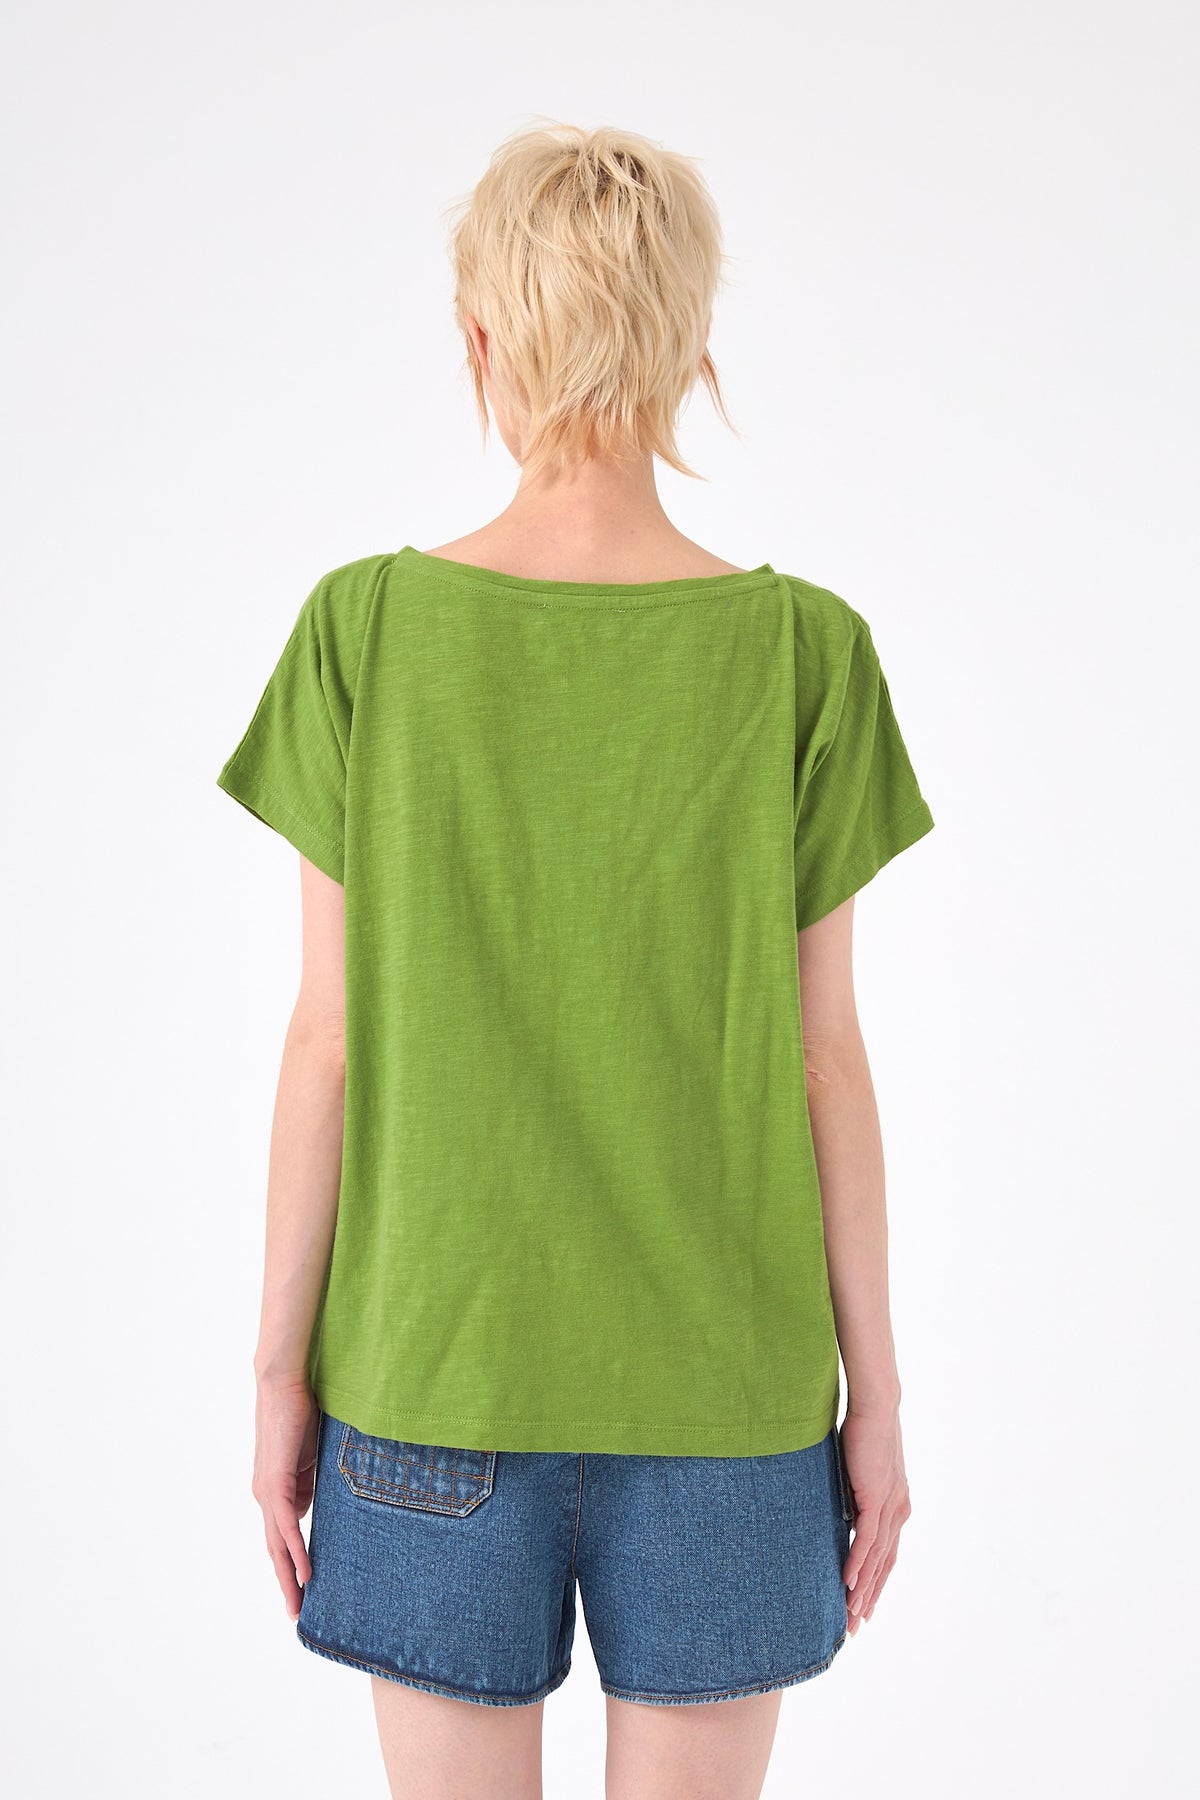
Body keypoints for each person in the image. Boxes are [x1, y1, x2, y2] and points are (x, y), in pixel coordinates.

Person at [215, 121, 936, 1800]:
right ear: (694, 346)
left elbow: (327, 1041)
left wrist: (275, 1377)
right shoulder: (804, 655)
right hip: (732, 1403)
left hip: (432, 1375)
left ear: (480, 340)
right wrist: (881, 1400)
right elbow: (825, 1054)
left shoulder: (365, 632)